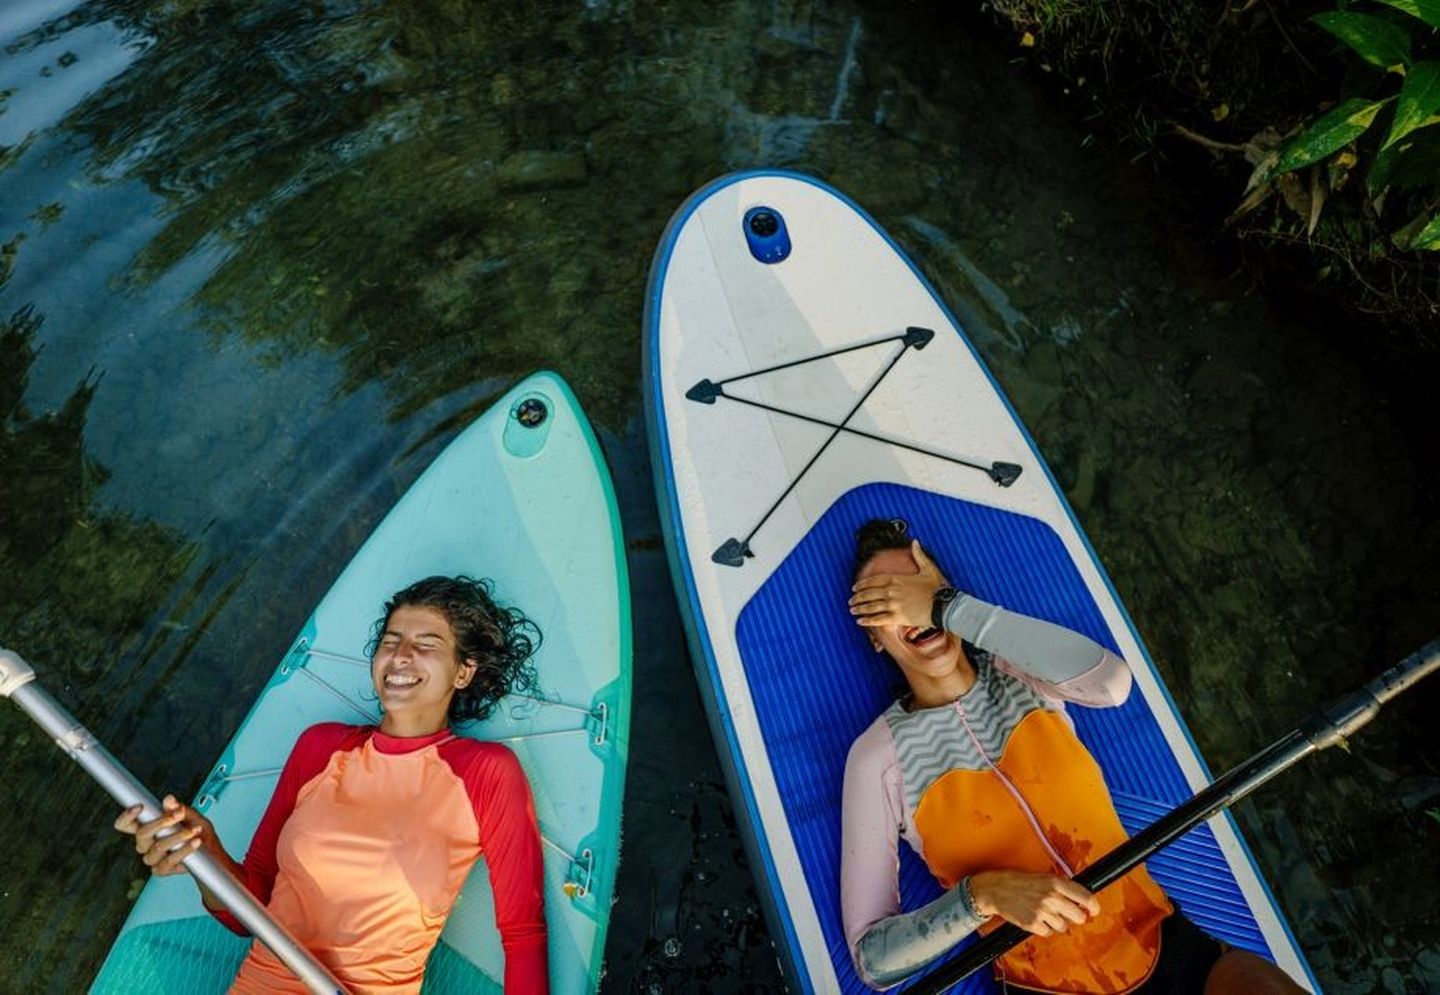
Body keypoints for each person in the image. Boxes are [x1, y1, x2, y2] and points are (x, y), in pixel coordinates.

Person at [841, 519, 1302, 994]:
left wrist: (946, 607)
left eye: (918, 589)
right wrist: (984, 895)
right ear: (875, 637)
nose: (909, 608)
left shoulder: (1019, 673)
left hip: (1163, 944)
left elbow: (1111, 684)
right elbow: (873, 959)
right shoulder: (877, 757)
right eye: (883, 601)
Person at [115, 575, 549, 994]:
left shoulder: (485, 772)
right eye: (391, 641)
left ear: (463, 672)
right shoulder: (321, 748)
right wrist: (203, 854)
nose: (400, 655)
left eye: (426, 644)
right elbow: (250, 908)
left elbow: (523, 933)